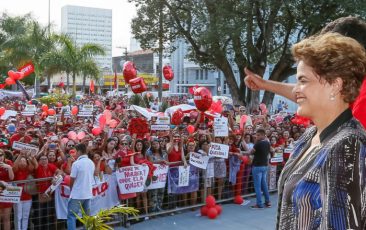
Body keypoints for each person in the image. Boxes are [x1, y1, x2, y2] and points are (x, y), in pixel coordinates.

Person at [273, 33, 366, 229]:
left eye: (303, 81)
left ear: (335, 85)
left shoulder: (347, 145)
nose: (296, 89)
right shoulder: (310, 136)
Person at [244, 16, 366, 129]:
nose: (298, 89)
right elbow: (311, 93)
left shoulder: (361, 107)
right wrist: (264, 84)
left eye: (327, 55)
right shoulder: (352, 86)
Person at [67, 143, 95, 230]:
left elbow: (72, 179)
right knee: (86, 217)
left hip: (77, 194)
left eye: (75, 151)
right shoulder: (91, 162)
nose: (74, 153)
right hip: (88, 193)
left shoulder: (76, 164)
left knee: (71, 216)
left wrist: (72, 189)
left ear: (79, 151)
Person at [248, 128, 271, 209]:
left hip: (257, 166)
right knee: (264, 185)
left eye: (258, 135)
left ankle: (259, 204)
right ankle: (268, 202)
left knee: (257, 186)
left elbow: (250, 152)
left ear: (262, 135)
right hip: (264, 166)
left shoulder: (258, 144)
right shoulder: (267, 143)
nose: (256, 137)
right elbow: (271, 152)